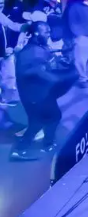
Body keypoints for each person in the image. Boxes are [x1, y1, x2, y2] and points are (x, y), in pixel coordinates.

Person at [9, 21, 78, 161]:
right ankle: (24, 149)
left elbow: (49, 64)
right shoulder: (31, 52)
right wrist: (68, 75)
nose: (48, 34)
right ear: (36, 33)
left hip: (40, 92)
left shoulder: (38, 47)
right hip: (35, 95)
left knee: (47, 118)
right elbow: (45, 75)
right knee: (44, 120)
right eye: (46, 32)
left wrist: (63, 61)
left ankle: (46, 144)